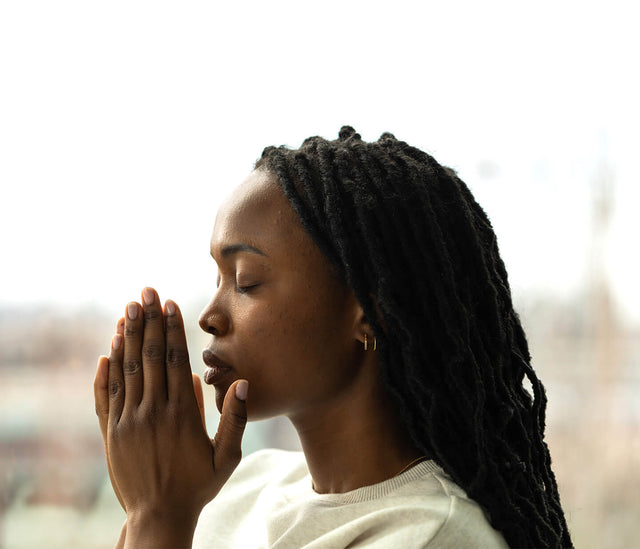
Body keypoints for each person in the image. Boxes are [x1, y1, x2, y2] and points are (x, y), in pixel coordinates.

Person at [94, 127, 573, 548]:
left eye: (244, 281)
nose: (210, 316)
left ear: (368, 313)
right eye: (218, 279)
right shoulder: (231, 489)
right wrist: (155, 507)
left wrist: (158, 517)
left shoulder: (429, 535)